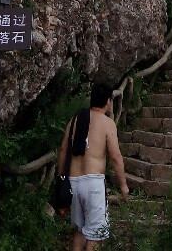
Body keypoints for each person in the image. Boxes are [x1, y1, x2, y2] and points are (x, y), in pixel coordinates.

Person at [59, 82, 129, 250]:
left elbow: (63, 150)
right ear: (108, 102)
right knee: (95, 236)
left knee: (79, 231)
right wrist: (123, 185)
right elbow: (116, 157)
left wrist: (61, 179)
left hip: (73, 182)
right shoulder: (107, 123)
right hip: (93, 184)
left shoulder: (74, 120)